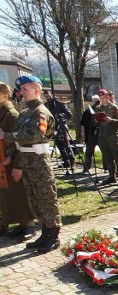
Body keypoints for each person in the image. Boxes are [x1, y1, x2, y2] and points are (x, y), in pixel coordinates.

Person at [0, 75, 61, 253]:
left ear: (37, 90)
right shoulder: (25, 113)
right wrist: (11, 155)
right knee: (34, 200)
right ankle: (44, 233)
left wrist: (6, 136)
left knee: (46, 198)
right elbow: (19, 142)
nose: (21, 92)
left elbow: (34, 135)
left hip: (39, 162)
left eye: (25, 89)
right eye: (20, 90)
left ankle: (53, 234)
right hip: (26, 162)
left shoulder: (41, 112)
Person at [0, 82, 36, 240]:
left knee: (21, 192)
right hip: (3, 161)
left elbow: (20, 141)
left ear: (4, 96)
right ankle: (19, 224)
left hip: (13, 160)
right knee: (9, 194)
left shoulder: (12, 115)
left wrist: (14, 161)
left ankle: (29, 225)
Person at [94, 88, 118, 185]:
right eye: (101, 97)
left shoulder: (115, 108)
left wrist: (111, 120)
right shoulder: (98, 108)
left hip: (113, 137)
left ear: (107, 97)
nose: (103, 99)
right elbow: (94, 123)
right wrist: (95, 120)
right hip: (103, 136)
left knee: (117, 157)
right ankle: (111, 176)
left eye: (104, 97)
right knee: (107, 158)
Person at [44, 89, 74, 172]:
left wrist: (63, 121)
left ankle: (72, 162)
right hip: (52, 128)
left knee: (66, 145)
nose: (48, 97)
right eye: (46, 96)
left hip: (62, 128)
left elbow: (69, 114)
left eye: (49, 96)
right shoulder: (46, 105)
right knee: (59, 146)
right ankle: (66, 162)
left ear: (52, 95)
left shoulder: (60, 104)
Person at [79, 94, 101, 173]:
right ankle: (106, 168)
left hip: (92, 134)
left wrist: (83, 134)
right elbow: (83, 124)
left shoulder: (89, 111)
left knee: (89, 152)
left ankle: (86, 168)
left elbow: (82, 125)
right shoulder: (89, 111)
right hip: (95, 134)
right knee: (103, 152)